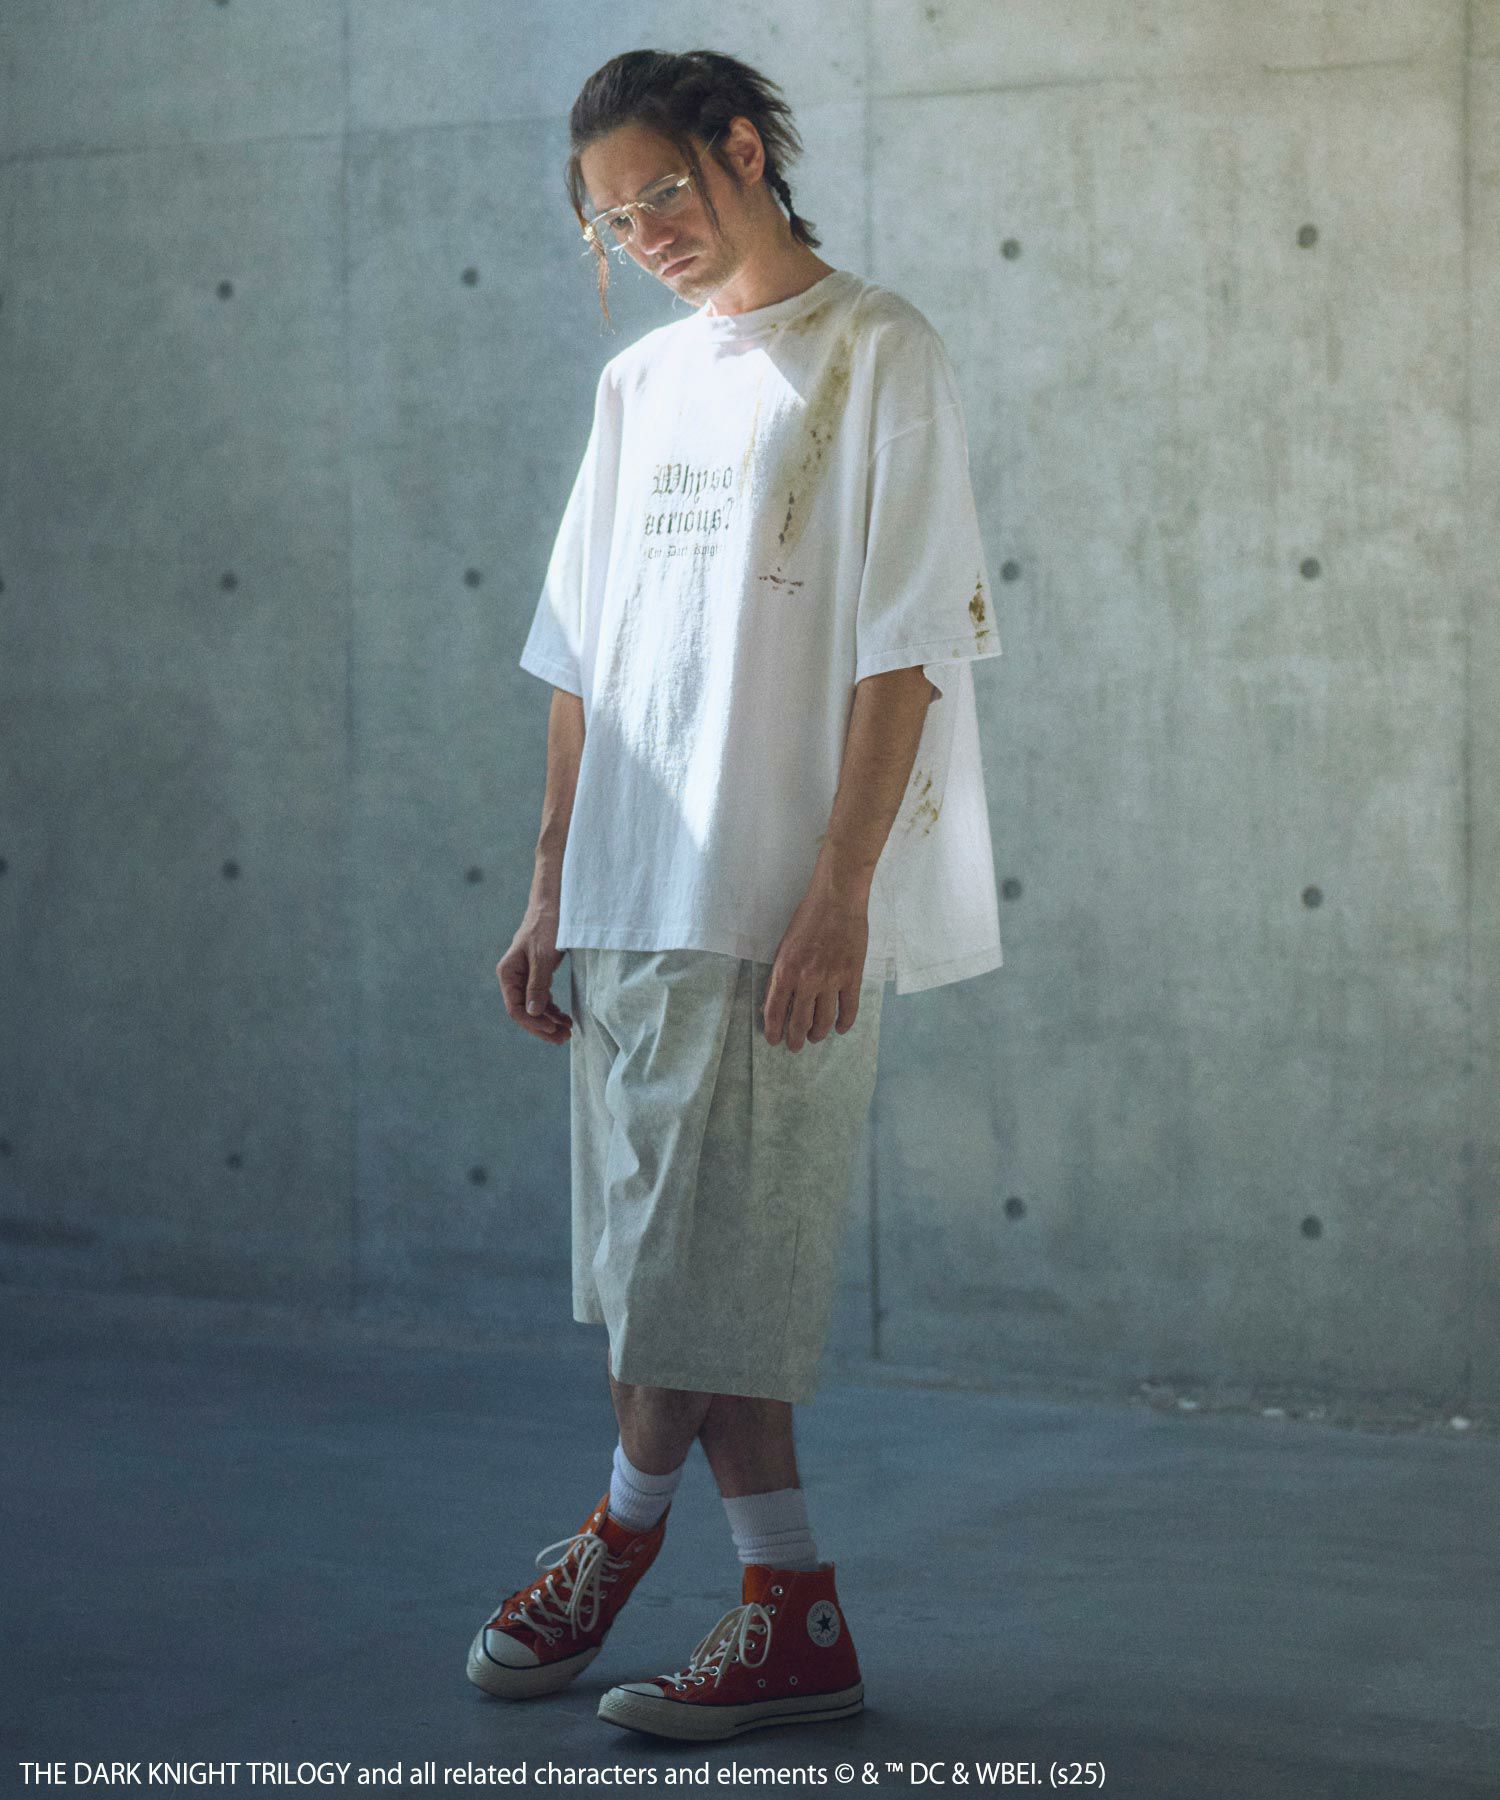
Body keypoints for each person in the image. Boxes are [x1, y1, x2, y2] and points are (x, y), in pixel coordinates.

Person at [466, 48, 1004, 1743]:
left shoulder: (877, 350)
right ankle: (792, 1613)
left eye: (663, 194)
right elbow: (582, 655)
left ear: (746, 152)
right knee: (685, 1278)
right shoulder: (639, 386)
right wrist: (550, 884)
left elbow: (910, 645)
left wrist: (844, 893)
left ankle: (615, 1544)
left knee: (693, 1274)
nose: (647, 235)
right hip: (626, 889)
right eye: (612, 222)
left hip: (770, 898)